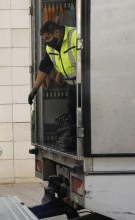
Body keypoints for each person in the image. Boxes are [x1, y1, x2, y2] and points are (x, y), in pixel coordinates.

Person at [28, 21, 77, 150]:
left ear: (56, 32)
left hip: (86, 84)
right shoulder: (51, 48)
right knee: (73, 114)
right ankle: (74, 143)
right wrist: (34, 89)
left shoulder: (75, 36)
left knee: (86, 114)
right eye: (45, 39)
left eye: (48, 38)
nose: (47, 42)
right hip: (72, 86)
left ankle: (87, 143)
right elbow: (44, 67)